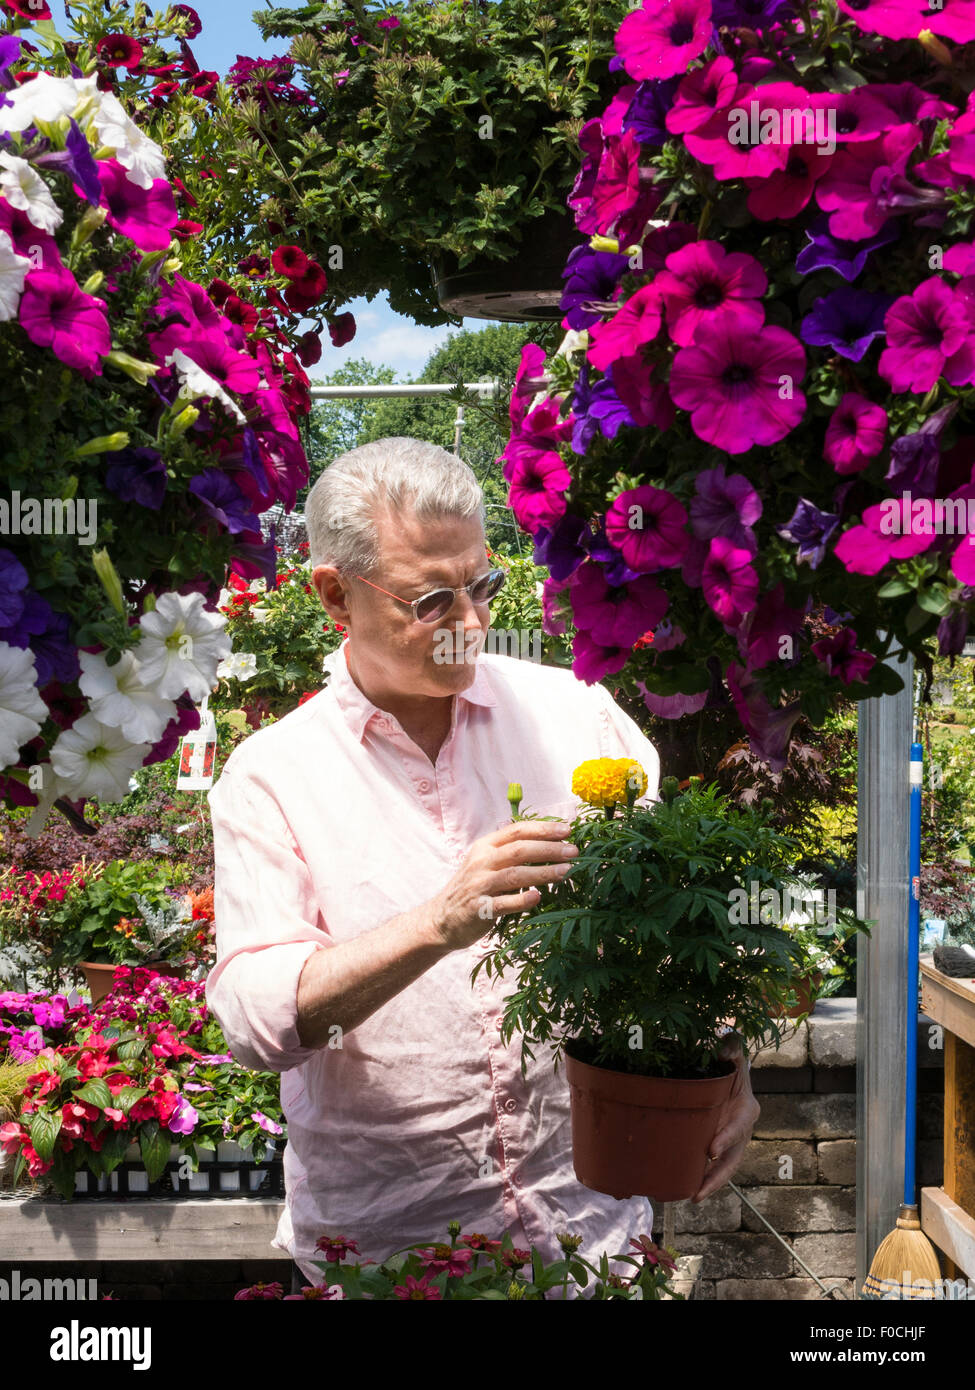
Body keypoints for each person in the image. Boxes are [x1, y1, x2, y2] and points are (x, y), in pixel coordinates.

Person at [205, 437, 760, 1292]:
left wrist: (729, 1072)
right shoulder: (271, 776)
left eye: (482, 585)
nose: (470, 623)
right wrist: (438, 921)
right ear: (333, 595)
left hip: (591, 1238)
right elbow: (255, 1021)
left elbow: (675, 929)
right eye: (430, 599)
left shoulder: (575, 715)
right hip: (396, 1252)